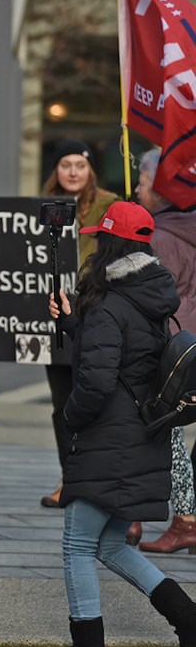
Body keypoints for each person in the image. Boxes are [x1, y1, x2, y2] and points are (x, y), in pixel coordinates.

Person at [45, 200, 196, 647]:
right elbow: (129, 354)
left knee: (76, 546)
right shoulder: (148, 297)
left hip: (109, 441)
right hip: (138, 438)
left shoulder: (111, 304)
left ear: (108, 244)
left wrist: (70, 419)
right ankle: (191, 623)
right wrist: (74, 324)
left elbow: (95, 382)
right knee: (110, 545)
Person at [0, 139, 119, 509]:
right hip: (50, 322)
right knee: (62, 404)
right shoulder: (37, 209)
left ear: (91, 170)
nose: (73, 171)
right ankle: (69, 478)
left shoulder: (111, 206)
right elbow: (17, 259)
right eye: (65, 164)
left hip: (95, 319)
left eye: (80, 164)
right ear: (55, 170)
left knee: (96, 401)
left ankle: (100, 478)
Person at [132, 148, 196, 554]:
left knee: (165, 430)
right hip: (189, 345)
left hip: (172, 349)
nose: (138, 187)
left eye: (142, 181)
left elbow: (156, 299)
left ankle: (186, 519)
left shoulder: (160, 236)